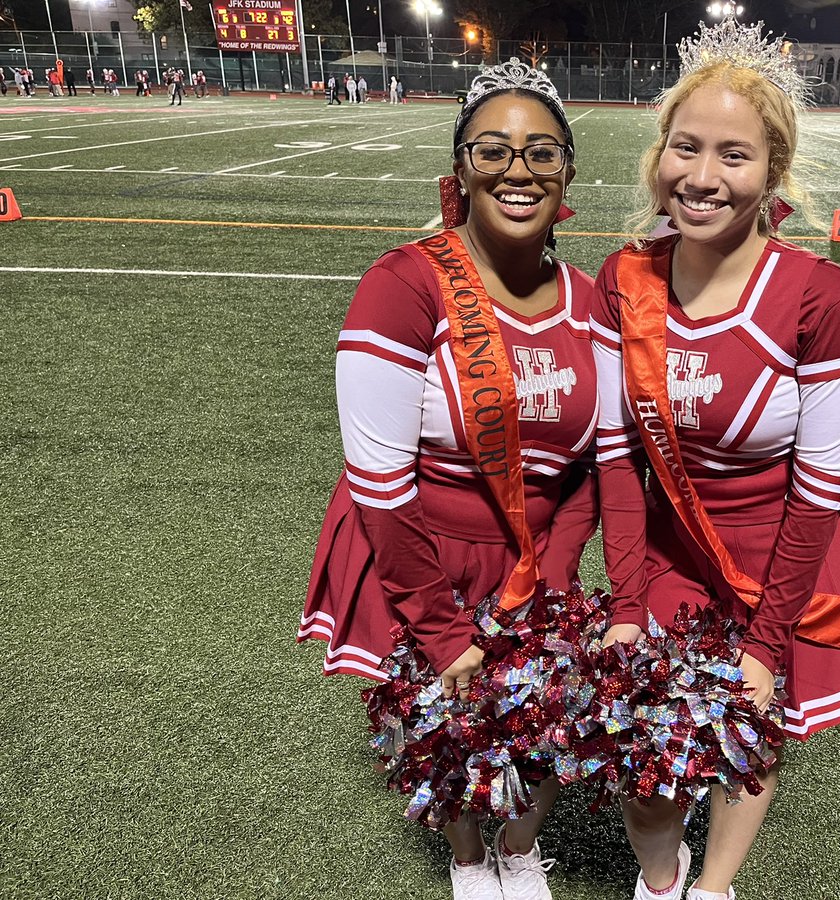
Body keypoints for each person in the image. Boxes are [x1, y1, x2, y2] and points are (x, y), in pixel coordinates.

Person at [591, 19, 840, 900]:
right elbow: (616, 463)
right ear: (659, 157)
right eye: (685, 148)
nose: (702, 177)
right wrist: (628, 603)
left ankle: (715, 885)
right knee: (642, 767)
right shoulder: (624, 279)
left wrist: (766, 646)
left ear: (772, 174)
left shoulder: (822, 297)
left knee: (747, 745)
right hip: (670, 552)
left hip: (784, 561)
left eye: (733, 155)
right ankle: (660, 878)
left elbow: (821, 492)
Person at [300, 58, 596, 900]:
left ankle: (521, 848)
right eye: (492, 149)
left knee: (547, 719)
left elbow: (603, 462)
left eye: (541, 151)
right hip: (422, 547)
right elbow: (378, 483)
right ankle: (469, 859)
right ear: (460, 167)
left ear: (568, 170)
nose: (518, 170)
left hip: (541, 554)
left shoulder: (591, 299)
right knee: (449, 718)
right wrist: (438, 626)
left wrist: (559, 565)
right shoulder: (401, 285)